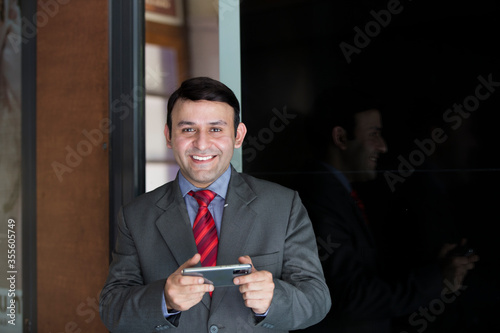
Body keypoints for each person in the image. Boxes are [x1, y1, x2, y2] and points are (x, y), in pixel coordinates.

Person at [99, 77, 331, 332]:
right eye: (188, 129)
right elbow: (112, 309)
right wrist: (164, 299)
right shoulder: (135, 216)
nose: (201, 143)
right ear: (168, 135)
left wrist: (273, 300)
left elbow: (317, 300)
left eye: (216, 129)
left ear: (238, 135)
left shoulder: (284, 206)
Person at [293, 87, 479, 333]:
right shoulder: (319, 197)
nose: (382, 147)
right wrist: (437, 279)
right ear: (340, 138)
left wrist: (436, 271)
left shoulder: (335, 193)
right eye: (374, 134)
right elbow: (352, 296)